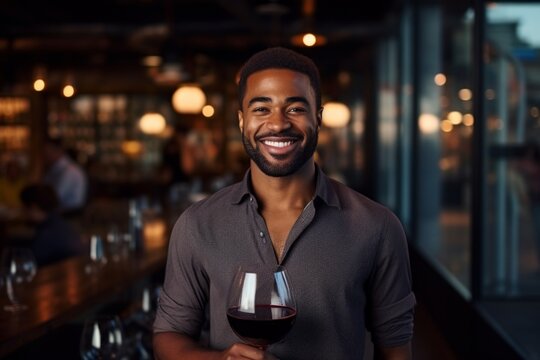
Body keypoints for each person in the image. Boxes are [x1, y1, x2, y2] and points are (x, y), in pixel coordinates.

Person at [153, 47, 416, 359]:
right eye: (261, 109)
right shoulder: (196, 224)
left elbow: (396, 348)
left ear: (318, 118)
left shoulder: (378, 226)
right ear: (242, 121)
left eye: (295, 109)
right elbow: (168, 337)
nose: (277, 124)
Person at [19, 183, 83, 267]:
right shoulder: (63, 225)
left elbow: (30, 267)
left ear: (33, 207)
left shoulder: (46, 235)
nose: (22, 212)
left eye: (23, 208)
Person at [41, 136, 88, 215]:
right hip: (56, 214)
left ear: (59, 151)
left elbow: (54, 198)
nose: (45, 156)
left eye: (48, 152)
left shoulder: (70, 171)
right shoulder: (53, 169)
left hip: (68, 215)